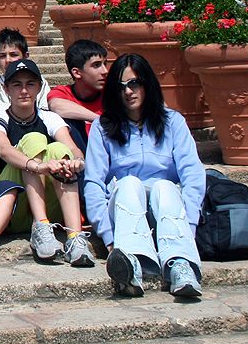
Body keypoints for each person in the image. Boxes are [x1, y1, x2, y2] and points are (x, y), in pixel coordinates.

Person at [85, 54, 206, 299]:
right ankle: (131, 264)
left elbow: (193, 174)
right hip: (124, 209)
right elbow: (93, 182)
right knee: (129, 183)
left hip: (167, 209)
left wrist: (190, 224)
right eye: (121, 86)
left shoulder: (173, 122)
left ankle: (180, 264)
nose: (128, 92)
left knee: (164, 186)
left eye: (134, 83)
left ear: (147, 83)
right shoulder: (103, 126)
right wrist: (109, 237)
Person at [0, 58, 91, 267]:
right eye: (17, 85)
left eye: (30, 84)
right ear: (6, 89)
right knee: (33, 140)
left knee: (58, 150)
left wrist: (77, 161)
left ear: (40, 88)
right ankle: (40, 227)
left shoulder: (49, 118)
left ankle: (74, 237)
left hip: (51, 208)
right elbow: (4, 149)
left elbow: (72, 147)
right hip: (12, 206)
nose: (24, 91)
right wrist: (38, 166)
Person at [47, 39, 109, 155]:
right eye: (96, 65)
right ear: (76, 72)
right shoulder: (63, 92)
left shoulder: (111, 94)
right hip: (79, 156)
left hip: (110, 154)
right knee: (68, 121)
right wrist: (101, 120)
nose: (105, 71)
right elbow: (57, 106)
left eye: (105, 64)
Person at [0, 27, 51, 118]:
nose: (8, 60)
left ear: (25, 56)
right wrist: (20, 110)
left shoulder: (39, 82)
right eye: (2, 56)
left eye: (13, 55)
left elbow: (46, 108)